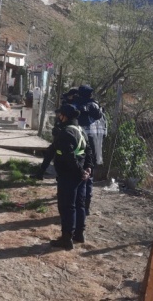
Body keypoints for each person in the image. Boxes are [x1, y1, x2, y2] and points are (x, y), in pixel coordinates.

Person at [50, 103, 93, 250]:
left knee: (67, 207)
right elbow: (88, 151)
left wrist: (81, 171)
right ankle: (79, 234)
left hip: (70, 174)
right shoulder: (80, 130)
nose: (58, 117)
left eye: (60, 114)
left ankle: (66, 239)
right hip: (81, 176)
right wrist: (88, 168)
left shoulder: (66, 132)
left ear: (64, 116)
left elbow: (69, 157)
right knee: (80, 205)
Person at [74, 85, 104, 215]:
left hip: (75, 137)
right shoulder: (93, 105)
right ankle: (85, 208)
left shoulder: (75, 103)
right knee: (89, 171)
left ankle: (77, 205)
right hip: (90, 137)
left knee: (76, 171)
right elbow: (98, 115)